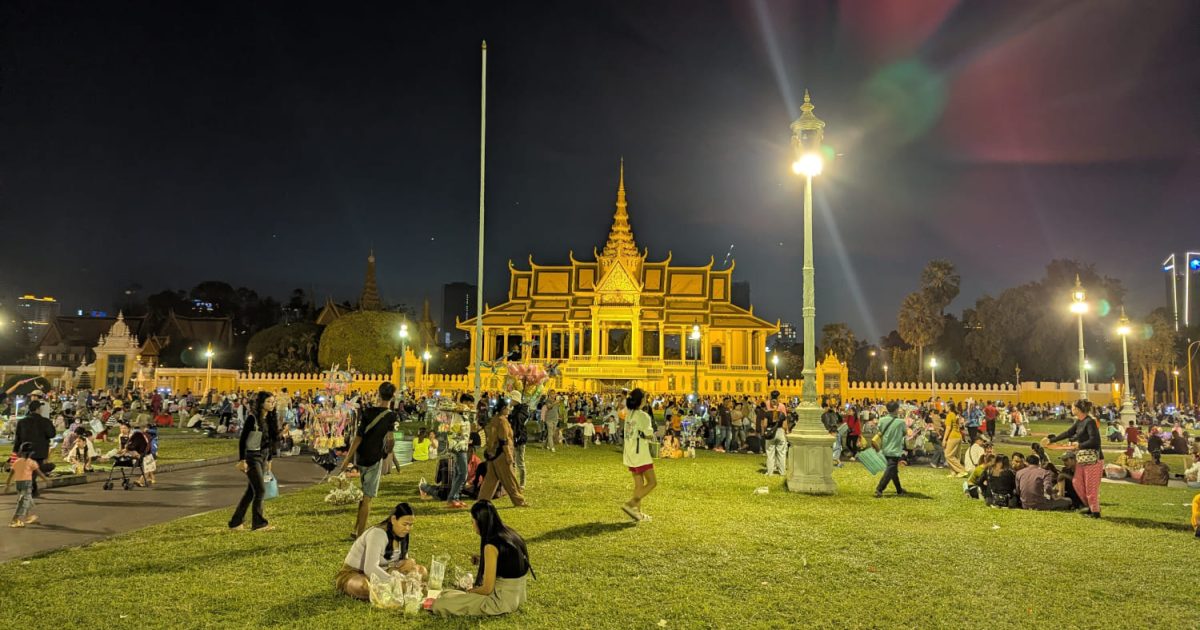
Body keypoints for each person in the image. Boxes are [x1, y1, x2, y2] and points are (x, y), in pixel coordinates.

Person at [431, 500, 532, 617]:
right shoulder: (509, 533)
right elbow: (508, 562)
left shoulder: (491, 545)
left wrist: (470, 592)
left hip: (500, 600)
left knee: (442, 603)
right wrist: (481, 559)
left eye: (473, 522)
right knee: (446, 593)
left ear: (480, 522)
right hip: (518, 595)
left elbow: (487, 589)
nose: (472, 525)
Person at [340, 382, 399, 537]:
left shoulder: (367, 411)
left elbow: (358, 437)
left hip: (361, 457)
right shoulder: (391, 416)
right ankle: (360, 536)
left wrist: (348, 458)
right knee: (367, 498)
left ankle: (355, 529)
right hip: (374, 458)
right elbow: (391, 440)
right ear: (393, 396)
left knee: (364, 495)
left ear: (378, 394)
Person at [335, 503, 426, 600]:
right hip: (356, 574)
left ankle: (400, 588)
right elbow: (370, 569)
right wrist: (396, 583)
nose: (407, 528)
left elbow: (396, 561)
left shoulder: (402, 533)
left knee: (421, 570)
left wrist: (407, 562)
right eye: (405, 524)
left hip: (385, 571)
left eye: (410, 525)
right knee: (363, 587)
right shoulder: (377, 534)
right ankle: (403, 589)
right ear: (393, 520)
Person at [229, 391, 280, 532]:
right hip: (252, 457)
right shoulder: (253, 419)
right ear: (261, 403)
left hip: (263, 457)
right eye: (269, 402)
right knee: (260, 490)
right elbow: (243, 440)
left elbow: (270, 441)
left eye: (273, 402)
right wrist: (242, 459)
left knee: (251, 492)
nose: (272, 404)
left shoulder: (270, 419)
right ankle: (258, 523)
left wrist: (269, 458)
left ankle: (235, 522)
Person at [1044, 399, 1104, 518]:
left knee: (1090, 486)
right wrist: (1051, 440)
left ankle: (1095, 512)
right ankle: (1090, 506)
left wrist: (1079, 445)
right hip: (1082, 458)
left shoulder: (1090, 422)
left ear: (1077, 409)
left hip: (1093, 459)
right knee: (1077, 482)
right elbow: (1068, 433)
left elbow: (1096, 441)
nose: (1071, 409)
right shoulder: (1079, 421)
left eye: (1072, 407)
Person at [476, 399, 529, 508]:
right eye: (507, 407)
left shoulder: (494, 420)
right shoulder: (502, 421)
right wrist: (509, 455)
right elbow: (503, 439)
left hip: (493, 454)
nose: (509, 409)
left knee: (490, 480)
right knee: (510, 479)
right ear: (502, 409)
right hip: (501, 454)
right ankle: (519, 501)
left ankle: (482, 501)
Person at [621, 388, 656, 521]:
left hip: (630, 453)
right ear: (641, 400)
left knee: (639, 484)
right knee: (652, 482)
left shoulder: (629, 413)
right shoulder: (643, 416)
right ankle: (631, 504)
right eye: (645, 397)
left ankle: (637, 513)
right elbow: (649, 433)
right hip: (640, 453)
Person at [12, 400, 56, 498]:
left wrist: (15, 452)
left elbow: (18, 438)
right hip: (40, 451)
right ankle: (32, 490)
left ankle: (32, 489)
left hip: (26, 450)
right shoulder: (45, 421)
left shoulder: (22, 422)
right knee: (35, 469)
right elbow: (52, 434)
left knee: (31, 470)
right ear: (38, 409)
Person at [5, 442, 50, 527]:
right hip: (27, 484)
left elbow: (11, 474)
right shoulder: (32, 462)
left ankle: (28, 517)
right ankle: (14, 520)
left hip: (18, 484)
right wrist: (46, 479)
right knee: (23, 502)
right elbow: (39, 473)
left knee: (27, 500)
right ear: (31, 453)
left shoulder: (17, 462)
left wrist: (7, 485)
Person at [445, 393, 476, 509]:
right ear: (464, 402)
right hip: (458, 447)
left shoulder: (464, 415)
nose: (471, 405)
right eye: (470, 402)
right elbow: (455, 430)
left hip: (463, 445)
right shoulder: (458, 412)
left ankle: (455, 498)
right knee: (463, 473)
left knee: (458, 473)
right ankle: (452, 498)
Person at [874, 402, 907, 498]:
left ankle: (899, 490)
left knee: (893, 470)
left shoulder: (882, 420)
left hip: (885, 447)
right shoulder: (901, 422)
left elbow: (879, 430)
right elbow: (904, 433)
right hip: (895, 449)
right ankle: (879, 488)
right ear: (896, 409)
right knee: (890, 470)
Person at [764, 391, 789, 477]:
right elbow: (785, 424)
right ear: (778, 397)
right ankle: (782, 472)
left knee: (770, 453)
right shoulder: (782, 406)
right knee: (781, 453)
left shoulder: (767, 404)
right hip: (780, 431)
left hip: (770, 431)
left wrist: (765, 430)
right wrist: (786, 431)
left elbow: (765, 423)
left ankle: (770, 472)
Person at [943, 405, 967, 477]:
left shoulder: (950, 415)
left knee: (948, 455)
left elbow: (948, 428)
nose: (945, 408)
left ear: (949, 407)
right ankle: (954, 472)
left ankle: (962, 470)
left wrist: (944, 439)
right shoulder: (955, 414)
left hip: (952, 436)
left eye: (946, 406)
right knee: (956, 456)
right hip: (958, 436)